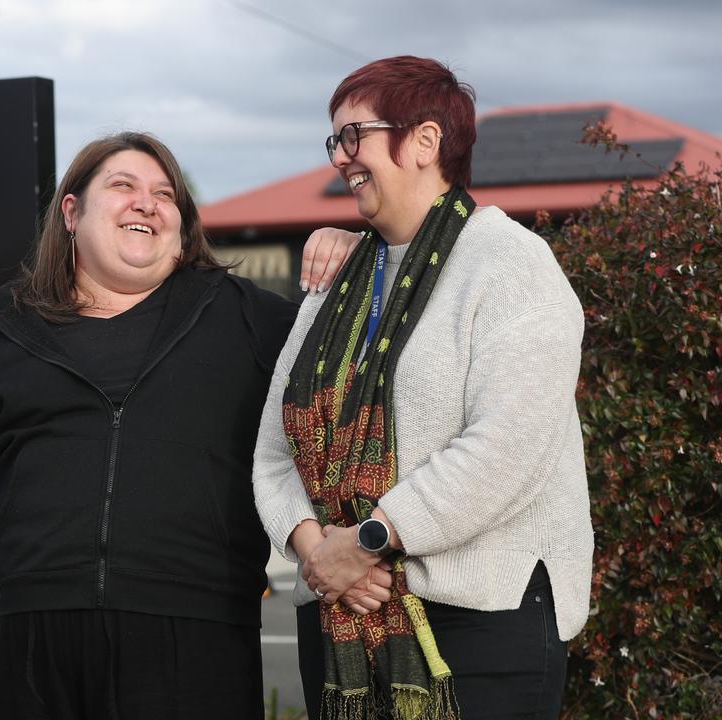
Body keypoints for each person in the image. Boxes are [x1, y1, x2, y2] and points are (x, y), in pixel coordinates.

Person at [0, 131, 372, 719]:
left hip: (198, 645)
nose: (146, 203)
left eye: (165, 194)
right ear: (71, 213)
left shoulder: (250, 319)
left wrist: (360, 254)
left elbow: (371, 360)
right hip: (33, 645)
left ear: (181, 226)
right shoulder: (3, 326)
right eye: (123, 186)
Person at [253, 56, 593, 720]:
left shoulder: (512, 265)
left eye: (356, 136)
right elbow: (272, 452)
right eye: (335, 141)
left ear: (426, 141)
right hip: (339, 616)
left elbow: (506, 449)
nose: (340, 158)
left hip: (481, 626)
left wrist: (369, 540)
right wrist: (319, 553)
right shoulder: (337, 285)